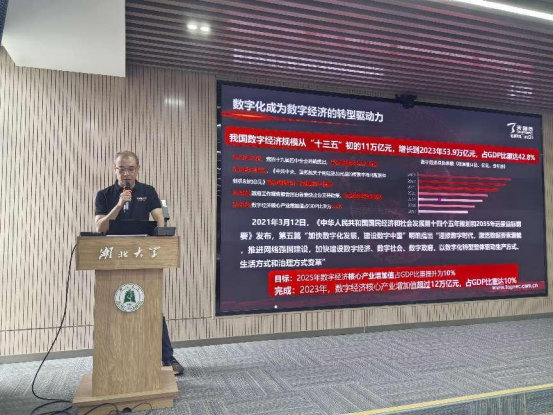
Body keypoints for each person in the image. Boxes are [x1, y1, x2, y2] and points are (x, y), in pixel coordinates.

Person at [94, 150, 184, 376]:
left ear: (138, 169)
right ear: (115, 170)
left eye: (131, 169)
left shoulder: (148, 191)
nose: (126, 173)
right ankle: (115, 360)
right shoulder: (104, 195)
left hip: (143, 256)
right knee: (115, 308)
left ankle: (167, 357)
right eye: (122, 169)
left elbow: (159, 219)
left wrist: (162, 234)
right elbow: (100, 227)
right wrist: (118, 205)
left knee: (152, 307)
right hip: (114, 259)